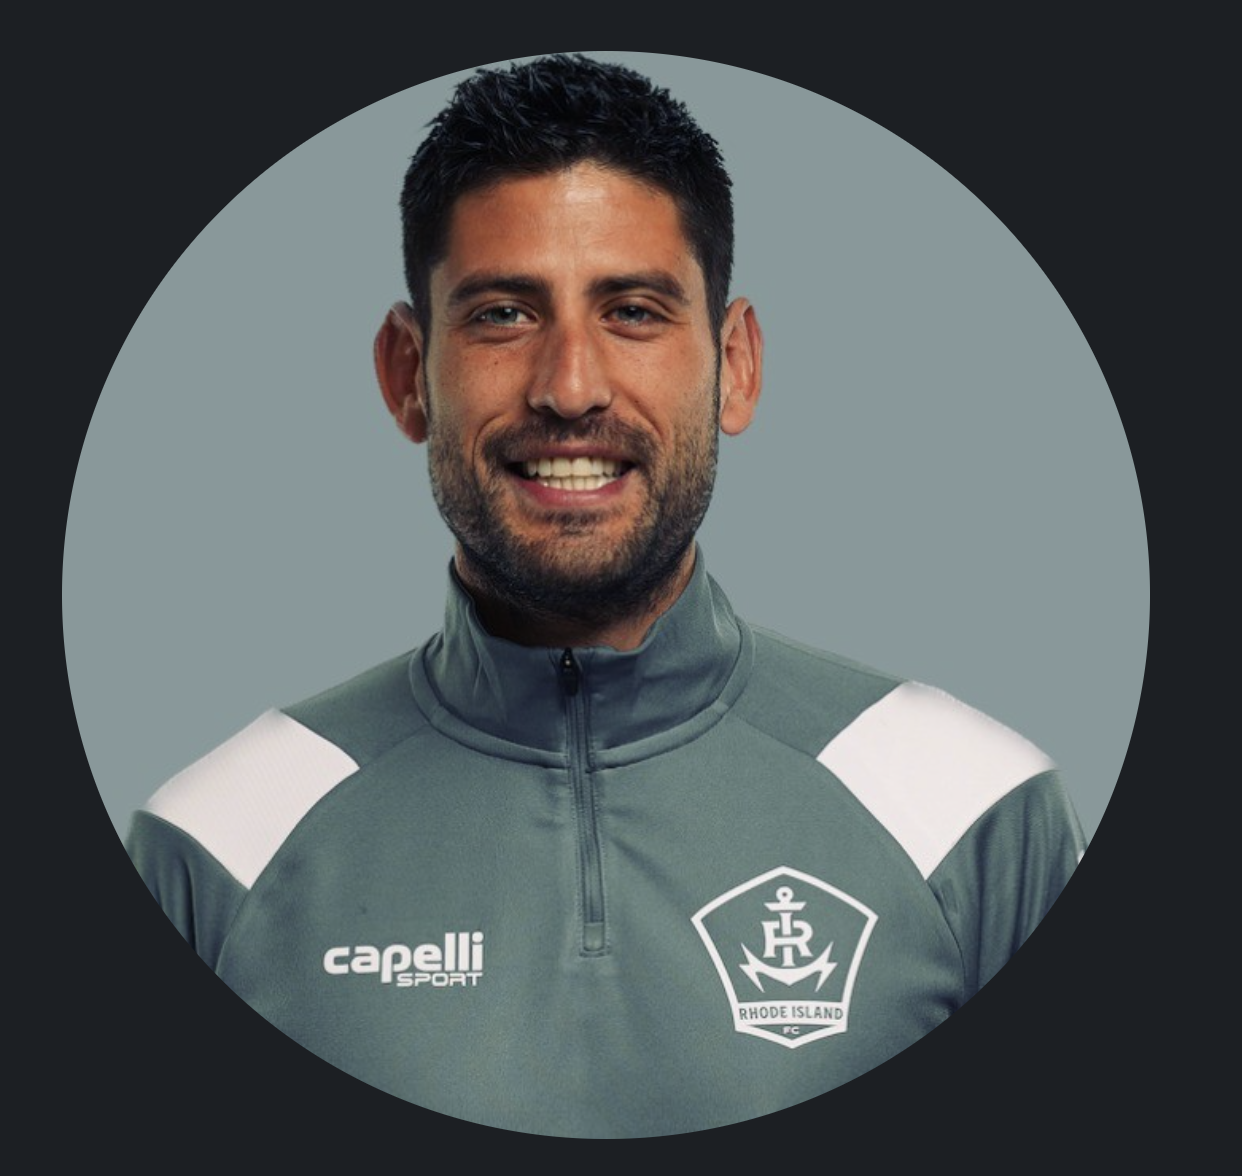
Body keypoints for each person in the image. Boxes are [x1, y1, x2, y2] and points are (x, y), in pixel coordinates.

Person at [126, 54, 1085, 1138]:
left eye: (632, 310)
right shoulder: (213, 848)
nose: (570, 385)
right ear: (407, 374)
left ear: (735, 366)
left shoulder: (973, 819)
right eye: (501, 314)